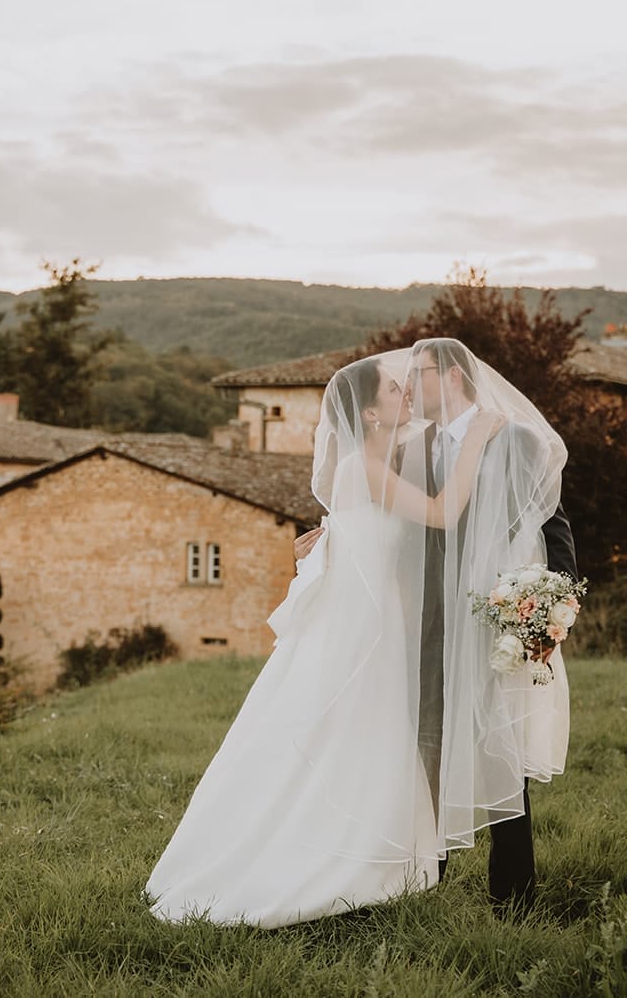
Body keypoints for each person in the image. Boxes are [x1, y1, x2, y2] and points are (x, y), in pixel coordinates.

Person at [145, 347, 505, 928]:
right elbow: (440, 514)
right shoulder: (362, 466)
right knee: (350, 727)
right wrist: (481, 436)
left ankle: (378, 845)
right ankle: (330, 852)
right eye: (393, 389)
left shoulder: (382, 459)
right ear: (367, 414)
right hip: (361, 625)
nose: (405, 392)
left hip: (374, 617)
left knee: (369, 729)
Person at [399, 338, 573, 912]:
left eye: (418, 374)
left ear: (451, 377)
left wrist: (557, 602)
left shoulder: (516, 439)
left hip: (498, 617)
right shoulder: (415, 446)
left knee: (502, 751)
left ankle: (515, 898)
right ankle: (426, 883)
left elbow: (553, 524)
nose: (409, 385)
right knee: (429, 751)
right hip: (429, 623)